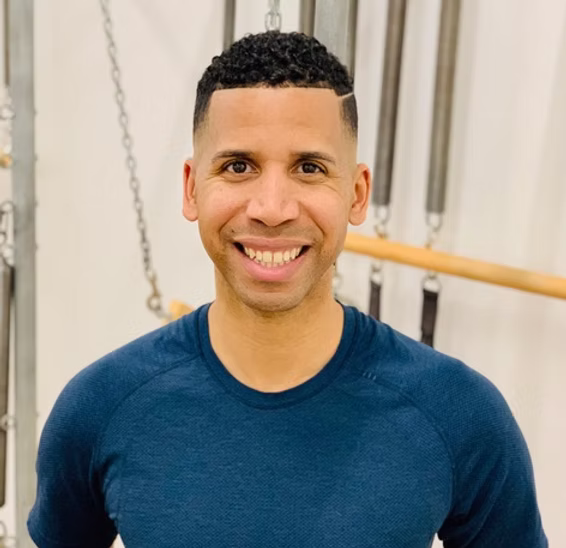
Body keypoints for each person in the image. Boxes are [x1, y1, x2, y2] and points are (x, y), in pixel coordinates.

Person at [28, 31, 547, 547]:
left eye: (309, 168)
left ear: (357, 193)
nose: (272, 208)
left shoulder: (459, 413)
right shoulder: (100, 407)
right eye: (238, 166)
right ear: (191, 187)